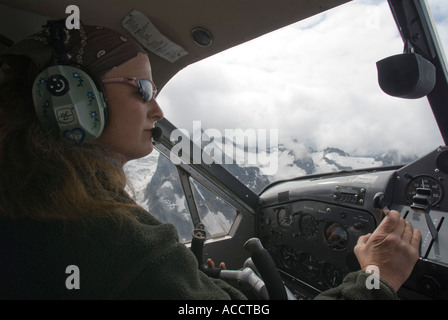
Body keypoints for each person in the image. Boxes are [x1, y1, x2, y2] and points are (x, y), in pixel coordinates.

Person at [0, 21, 421, 299]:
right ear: (72, 99)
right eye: (143, 90)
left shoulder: (30, 204)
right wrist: (375, 280)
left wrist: (194, 282)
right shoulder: (109, 239)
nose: (158, 111)